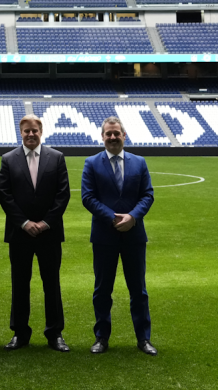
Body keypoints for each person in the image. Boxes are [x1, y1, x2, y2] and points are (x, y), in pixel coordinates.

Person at [81, 117, 156, 356]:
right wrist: (113, 217)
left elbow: (147, 195)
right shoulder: (91, 163)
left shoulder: (139, 162)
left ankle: (143, 339)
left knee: (139, 290)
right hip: (104, 236)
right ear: (102, 137)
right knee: (102, 290)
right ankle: (101, 337)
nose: (112, 137)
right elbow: (88, 197)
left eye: (117, 133)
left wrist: (132, 217)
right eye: (108, 134)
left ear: (125, 135)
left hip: (134, 236)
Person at [0, 115, 71, 352]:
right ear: (21, 132)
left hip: (49, 234)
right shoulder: (8, 159)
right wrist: (25, 223)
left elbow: (63, 195)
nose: (31, 134)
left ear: (41, 131)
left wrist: (46, 222)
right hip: (20, 234)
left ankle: (55, 333)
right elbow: (5, 195)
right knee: (20, 284)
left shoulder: (56, 157)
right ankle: (20, 333)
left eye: (35, 130)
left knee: (52, 283)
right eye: (27, 131)